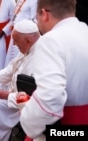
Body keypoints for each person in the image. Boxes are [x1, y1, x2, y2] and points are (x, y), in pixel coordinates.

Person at [19, 0, 88, 140]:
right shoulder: (85, 30)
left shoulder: (50, 40)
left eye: (35, 18)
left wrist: (28, 121)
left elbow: (50, 97)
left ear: (44, 14)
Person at [0, 20, 42, 141]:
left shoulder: (42, 57)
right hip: (18, 96)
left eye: (16, 41)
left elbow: (35, 98)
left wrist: (9, 96)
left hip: (28, 107)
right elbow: (12, 67)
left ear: (28, 40)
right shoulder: (29, 47)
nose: (14, 44)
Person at [4, 0, 38, 67]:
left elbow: (34, 20)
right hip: (16, 33)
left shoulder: (34, 1)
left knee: (20, 60)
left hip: (24, 36)